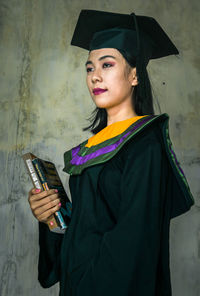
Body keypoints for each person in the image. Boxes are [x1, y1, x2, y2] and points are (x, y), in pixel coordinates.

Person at [28, 10, 195, 296]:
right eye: (89, 68)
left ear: (134, 75)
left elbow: (134, 246)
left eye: (107, 65)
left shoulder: (145, 143)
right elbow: (81, 232)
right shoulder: (91, 148)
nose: (95, 77)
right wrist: (52, 220)